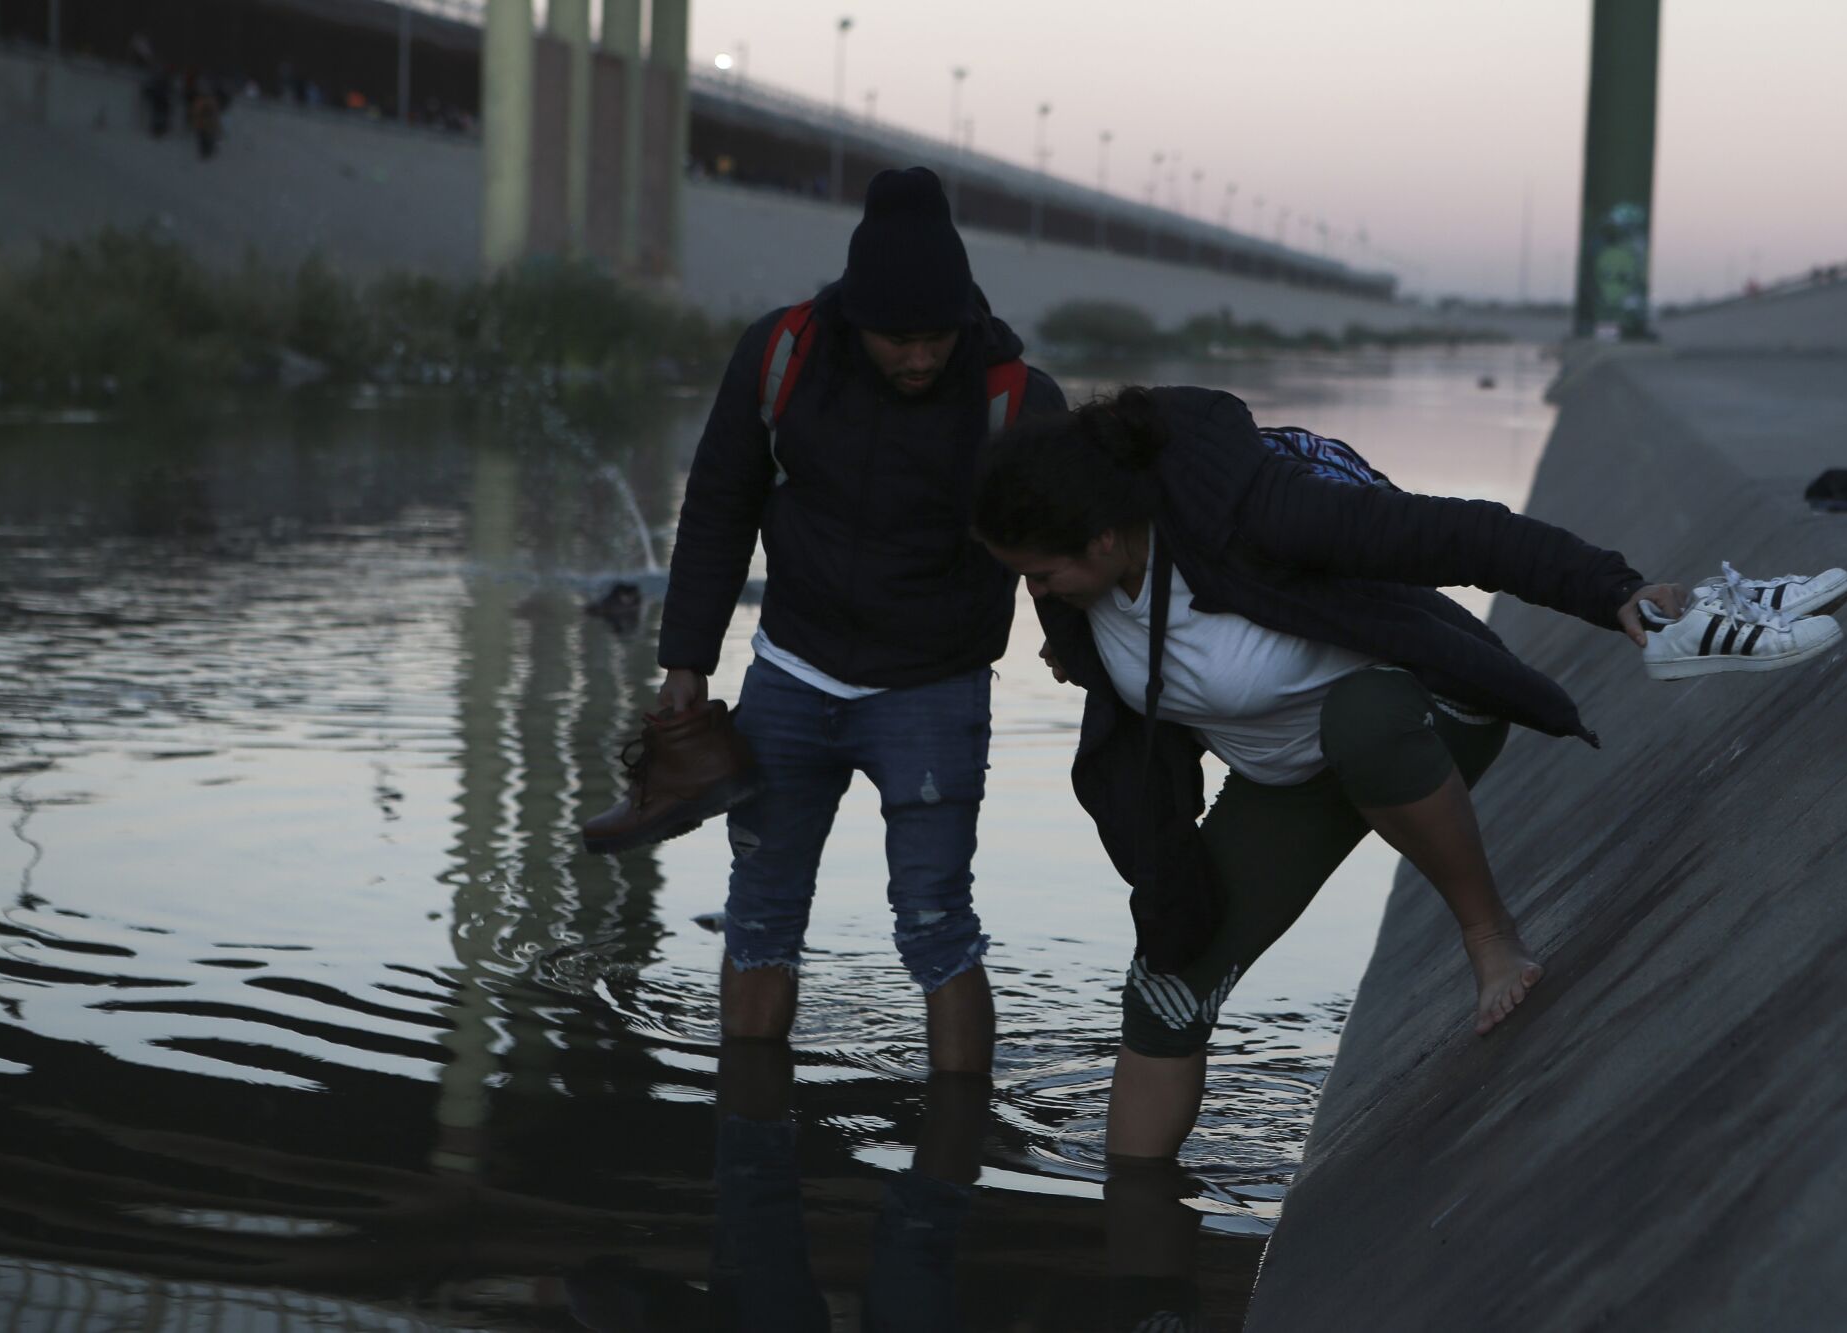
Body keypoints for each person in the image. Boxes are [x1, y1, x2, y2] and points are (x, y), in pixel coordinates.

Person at [972, 386, 1687, 1158]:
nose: (1034, 596)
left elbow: (1458, 535)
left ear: (1105, 538)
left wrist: (1614, 589)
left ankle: (1491, 936)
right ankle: (1129, 1225)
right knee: (1164, 995)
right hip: (1285, 774)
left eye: (1040, 576)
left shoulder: (1255, 515)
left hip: (1423, 716)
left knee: (1365, 720)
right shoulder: (1072, 587)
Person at [626, 167, 1066, 1074]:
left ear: (964, 318)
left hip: (935, 692)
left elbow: (1063, 558)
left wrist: (1091, 665)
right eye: (896, 340)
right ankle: (746, 1128)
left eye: (935, 337)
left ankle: (956, 1158)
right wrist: (685, 664)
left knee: (938, 924)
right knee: (760, 914)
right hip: (791, 675)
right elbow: (718, 506)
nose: (918, 358)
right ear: (854, 318)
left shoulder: (1014, 397)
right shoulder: (782, 355)